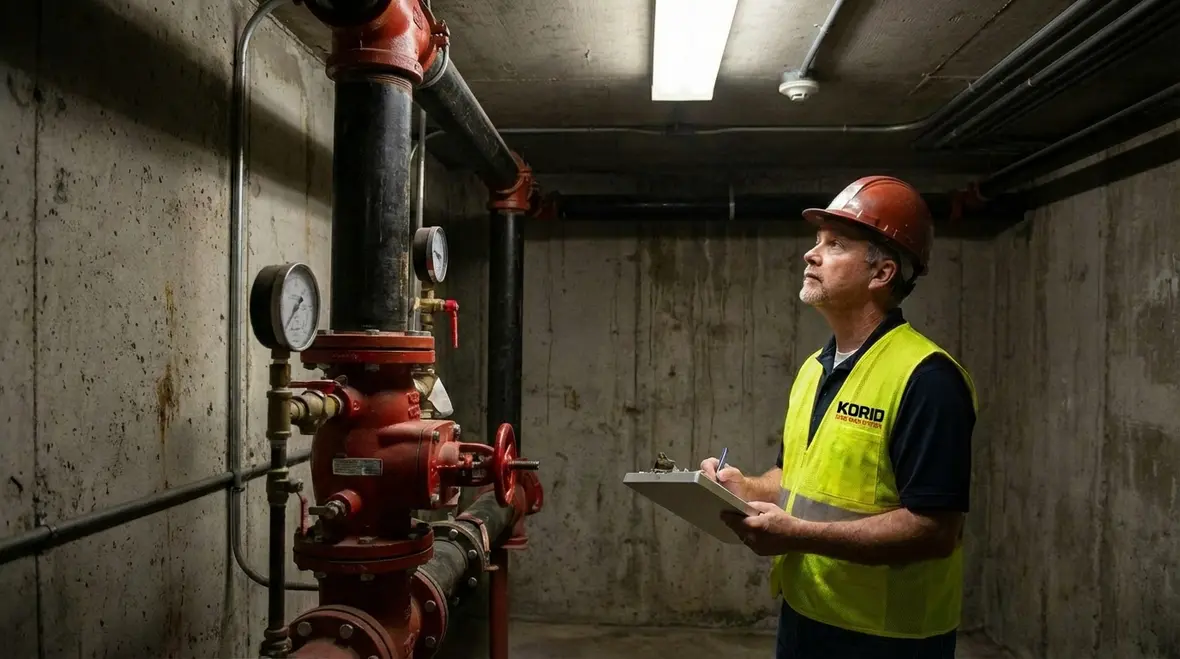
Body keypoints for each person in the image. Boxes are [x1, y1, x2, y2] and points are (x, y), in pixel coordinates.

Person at [703, 176, 978, 659]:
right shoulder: (814, 369)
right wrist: (743, 488)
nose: (811, 255)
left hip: (887, 639)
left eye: (836, 245)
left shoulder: (928, 379)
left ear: (881, 274)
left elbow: (935, 530)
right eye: (816, 243)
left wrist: (799, 535)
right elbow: (796, 478)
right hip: (806, 616)